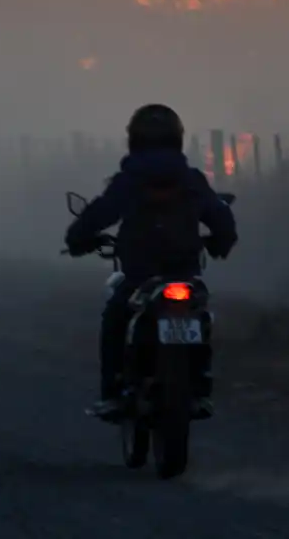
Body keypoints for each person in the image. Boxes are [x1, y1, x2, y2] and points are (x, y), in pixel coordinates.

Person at [64, 103, 237, 420]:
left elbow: (98, 214)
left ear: (134, 139)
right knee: (199, 317)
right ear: (177, 138)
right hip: (185, 271)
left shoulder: (129, 180)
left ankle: (114, 392)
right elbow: (220, 216)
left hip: (139, 272)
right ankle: (200, 387)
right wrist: (221, 242)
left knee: (115, 315)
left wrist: (77, 238)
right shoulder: (192, 179)